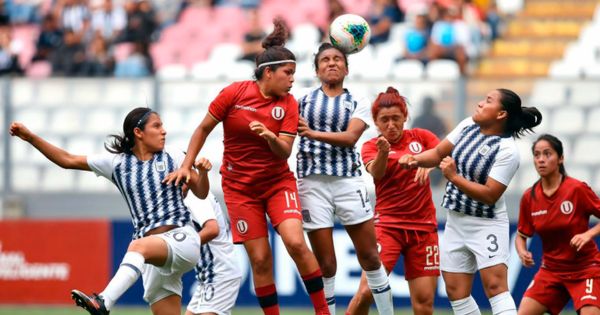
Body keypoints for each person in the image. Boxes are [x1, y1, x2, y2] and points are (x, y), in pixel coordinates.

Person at [164, 19, 330, 315]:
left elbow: (284, 152)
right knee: (262, 260)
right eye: (288, 73)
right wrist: (186, 167)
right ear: (269, 72)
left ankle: (323, 312)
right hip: (240, 190)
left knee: (295, 242)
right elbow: (202, 129)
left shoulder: (290, 104)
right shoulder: (235, 94)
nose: (292, 80)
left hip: (278, 183)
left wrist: (269, 137)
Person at [9, 107, 209, 315]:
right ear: (138, 133)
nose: (163, 131)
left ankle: (103, 300)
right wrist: (30, 138)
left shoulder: (173, 156)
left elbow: (201, 192)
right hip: (153, 258)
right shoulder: (117, 163)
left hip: (183, 239)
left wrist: (202, 173)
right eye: (157, 126)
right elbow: (67, 160)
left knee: (137, 246)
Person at [399, 89, 542, 315]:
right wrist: (414, 160)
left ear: (501, 114)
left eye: (488, 101)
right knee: (456, 290)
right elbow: (437, 154)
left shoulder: (507, 151)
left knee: (495, 286)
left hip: (486, 224)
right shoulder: (467, 125)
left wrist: (454, 177)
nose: (480, 104)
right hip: (456, 221)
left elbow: (490, 194)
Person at [296, 43, 394, 315]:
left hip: (348, 182)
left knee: (370, 257)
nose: (331, 63)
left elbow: (350, 138)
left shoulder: (358, 101)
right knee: (326, 265)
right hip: (311, 184)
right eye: (325, 60)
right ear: (316, 70)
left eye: (337, 59)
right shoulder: (301, 99)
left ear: (347, 68)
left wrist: (312, 133)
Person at [346, 87, 440, 315]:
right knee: (366, 292)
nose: (391, 125)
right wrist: (383, 154)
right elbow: (376, 173)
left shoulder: (421, 137)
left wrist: (429, 163)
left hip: (423, 230)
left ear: (405, 116)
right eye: (384, 120)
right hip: (387, 227)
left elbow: (444, 154)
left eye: (396, 118)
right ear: (376, 122)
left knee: (424, 303)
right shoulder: (371, 146)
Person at [516, 134, 600, 315]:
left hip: (585, 270)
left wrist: (588, 234)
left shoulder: (576, 189)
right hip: (551, 271)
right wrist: (522, 251)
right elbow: (522, 234)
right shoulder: (529, 197)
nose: (541, 160)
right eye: (537, 155)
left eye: (547, 154)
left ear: (560, 158)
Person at [183, 180, 242, 315]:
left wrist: (181, 247)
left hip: (219, 273)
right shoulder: (194, 192)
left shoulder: (194, 195)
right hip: (207, 276)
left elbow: (212, 229)